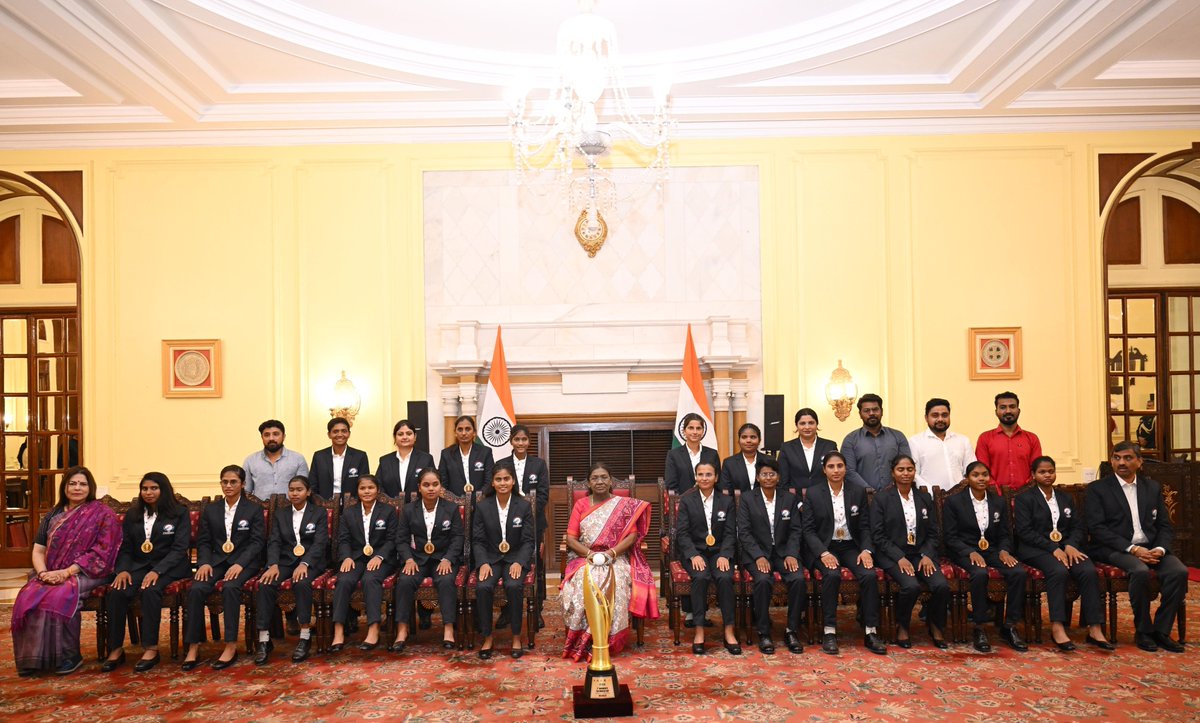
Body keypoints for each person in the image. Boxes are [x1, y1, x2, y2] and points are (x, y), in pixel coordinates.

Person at [13, 467, 120, 676]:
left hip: (91, 571)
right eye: (73, 483)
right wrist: (43, 573)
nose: (77, 488)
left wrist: (67, 572)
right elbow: (38, 550)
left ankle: (70, 656)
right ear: (65, 487)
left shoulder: (103, 514)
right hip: (52, 571)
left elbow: (103, 552)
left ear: (90, 488)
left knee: (62, 593)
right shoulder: (53, 514)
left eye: (82, 484)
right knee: (29, 595)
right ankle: (34, 658)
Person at [1085, 442, 1187, 653]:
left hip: (1150, 547)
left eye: (1128, 458)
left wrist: (1159, 549)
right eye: (1117, 457)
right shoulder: (1098, 489)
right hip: (1114, 548)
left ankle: (1161, 630)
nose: (1121, 462)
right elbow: (1097, 528)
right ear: (1111, 460)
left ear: (1139, 462)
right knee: (1139, 571)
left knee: (1178, 571)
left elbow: (1164, 526)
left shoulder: (1152, 487)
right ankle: (1143, 630)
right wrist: (1132, 549)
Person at [562, 461, 658, 662]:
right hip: (584, 557)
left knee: (617, 580)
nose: (599, 481)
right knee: (584, 580)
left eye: (604, 477)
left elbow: (632, 537)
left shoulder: (623, 505)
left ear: (610, 480)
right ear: (589, 482)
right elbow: (570, 539)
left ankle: (609, 638)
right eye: (595, 478)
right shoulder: (581, 505)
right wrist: (590, 554)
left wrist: (611, 554)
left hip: (616, 557)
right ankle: (586, 639)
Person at [1014, 457, 1112, 651]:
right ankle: (1058, 626)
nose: (1047, 475)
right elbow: (1025, 532)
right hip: (1036, 549)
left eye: (1051, 471)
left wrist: (1070, 545)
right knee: (1058, 571)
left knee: (1088, 570)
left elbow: (1077, 526)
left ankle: (1094, 628)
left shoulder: (1065, 497)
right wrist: (1053, 548)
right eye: (1042, 472)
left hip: (1066, 548)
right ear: (1033, 475)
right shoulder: (1025, 498)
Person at [102, 472, 191, 672]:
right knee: (117, 591)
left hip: (171, 567)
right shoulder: (133, 515)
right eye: (145, 489)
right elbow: (125, 548)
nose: (148, 493)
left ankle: (151, 648)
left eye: (154, 488)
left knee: (151, 590)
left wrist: (158, 571)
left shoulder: (179, 513)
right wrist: (123, 570)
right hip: (140, 566)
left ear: (164, 490)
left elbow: (179, 549)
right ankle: (115, 649)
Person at [801, 451, 886, 655]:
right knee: (831, 574)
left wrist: (866, 550)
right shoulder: (813, 493)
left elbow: (865, 526)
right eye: (831, 466)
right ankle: (829, 631)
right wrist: (823, 552)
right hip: (825, 546)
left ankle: (870, 631)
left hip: (850, 546)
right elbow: (808, 530)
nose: (836, 470)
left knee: (868, 574)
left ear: (846, 468)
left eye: (840, 466)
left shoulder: (858, 492)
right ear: (824, 470)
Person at [182, 465, 266, 670]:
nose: (228, 486)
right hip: (216, 561)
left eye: (233, 482)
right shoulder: (211, 509)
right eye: (224, 482)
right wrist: (203, 563)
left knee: (230, 587)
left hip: (244, 562)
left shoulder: (253, 509)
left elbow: (256, 542)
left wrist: (240, 564)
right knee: (196, 588)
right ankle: (193, 645)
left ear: (243, 484)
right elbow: (204, 541)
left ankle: (230, 645)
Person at [943, 461, 1028, 653]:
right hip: (965, 550)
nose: (981, 478)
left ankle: (1010, 626)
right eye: (975, 475)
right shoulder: (954, 502)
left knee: (1018, 573)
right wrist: (969, 552)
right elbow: (950, 537)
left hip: (993, 550)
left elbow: (1006, 533)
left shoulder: (998, 501)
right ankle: (979, 627)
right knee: (980, 574)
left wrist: (1005, 551)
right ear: (967, 478)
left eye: (984, 475)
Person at [869, 455, 949, 649]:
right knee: (910, 586)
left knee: (940, 585)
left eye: (909, 469)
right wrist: (899, 558)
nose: (905, 474)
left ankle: (935, 624)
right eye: (901, 470)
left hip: (921, 554)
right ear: (893, 473)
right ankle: (902, 625)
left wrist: (928, 554)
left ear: (915, 472)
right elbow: (878, 536)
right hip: (893, 555)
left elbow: (933, 532)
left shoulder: (924, 497)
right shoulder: (882, 499)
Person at [253, 475, 328, 665]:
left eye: (299, 490)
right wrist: (272, 565)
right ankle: (263, 639)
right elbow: (274, 542)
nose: (295, 493)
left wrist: (305, 563)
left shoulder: (318, 513)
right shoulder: (281, 514)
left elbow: (320, 543)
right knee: (265, 583)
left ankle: (304, 635)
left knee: (302, 582)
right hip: (285, 561)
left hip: (311, 562)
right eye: (292, 490)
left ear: (308, 492)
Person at [737, 456, 806, 655]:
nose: (768, 477)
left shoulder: (789, 499)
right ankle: (764, 631)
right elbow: (745, 532)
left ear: (778, 477)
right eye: (764, 474)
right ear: (758, 477)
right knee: (762, 580)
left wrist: (792, 554)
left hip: (784, 553)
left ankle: (791, 630)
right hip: (757, 554)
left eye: (772, 474)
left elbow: (795, 530)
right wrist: (758, 556)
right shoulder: (748, 499)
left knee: (798, 579)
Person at [392, 468, 462, 652]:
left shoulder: (451, 508)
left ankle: (448, 629)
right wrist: (407, 559)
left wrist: (448, 559)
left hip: (443, 558)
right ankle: (402, 630)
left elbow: (457, 538)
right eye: (426, 485)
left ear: (441, 487)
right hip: (417, 559)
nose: (431, 488)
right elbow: (401, 539)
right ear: (419, 488)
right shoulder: (408, 510)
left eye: (435, 484)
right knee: (405, 581)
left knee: (446, 581)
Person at [675, 461, 740, 655]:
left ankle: (729, 631)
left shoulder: (726, 501)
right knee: (701, 577)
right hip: (695, 552)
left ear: (716, 477)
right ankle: (699, 630)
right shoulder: (687, 500)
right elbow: (682, 533)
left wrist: (726, 555)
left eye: (709, 474)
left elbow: (730, 533)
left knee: (725, 577)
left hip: (719, 551)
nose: (704, 478)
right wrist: (693, 554)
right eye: (700, 474)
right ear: (696, 477)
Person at [329, 474, 397, 652]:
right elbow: (343, 540)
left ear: (378, 490)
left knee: (370, 579)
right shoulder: (349, 512)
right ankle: (338, 630)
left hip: (381, 558)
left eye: (370, 488)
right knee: (343, 580)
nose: (367, 491)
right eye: (362, 488)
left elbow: (391, 540)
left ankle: (373, 628)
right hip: (356, 557)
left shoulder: (388, 511)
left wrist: (379, 556)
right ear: (357, 492)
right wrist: (347, 557)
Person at [472, 462, 534, 659]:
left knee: (514, 585)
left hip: (515, 558)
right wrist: (482, 563)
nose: (502, 483)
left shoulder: (523, 505)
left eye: (506, 479)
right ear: (492, 482)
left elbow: (528, 540)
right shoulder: (482, 506)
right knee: (483, 587)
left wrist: (519, 562)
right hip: (490, 558)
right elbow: (478, 540)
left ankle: (516, 636)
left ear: (513, 480)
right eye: (498, 479)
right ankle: (487, 636)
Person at [495, 424, 549, 628]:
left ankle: (537, 611)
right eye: (517, 439)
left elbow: (543, 495)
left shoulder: (538, 464)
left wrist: (523, 510)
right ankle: (506, 611)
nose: (520, 443)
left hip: (533, 524)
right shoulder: (501, 463)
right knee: (507, 563)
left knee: (536, 567)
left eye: (524, 439)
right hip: (504, 525)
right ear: (511, 441)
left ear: (529, 442)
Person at [841, 394, 910, 492]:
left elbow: (906, 466)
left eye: (875, 409)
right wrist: (869, 490)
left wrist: (893, 489)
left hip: (895, 495)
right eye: (866, 410)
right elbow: (849, 471)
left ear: (882, 412)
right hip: (863, 497)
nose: (871, 413)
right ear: (860, 414)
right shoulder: (850, 440)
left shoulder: (898, 436)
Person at [975, 392, 1042, 491]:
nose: (1008, 411)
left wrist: (1025, 491)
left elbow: (1037, 470)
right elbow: (982, 470)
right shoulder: (985, 438)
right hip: (994, 498)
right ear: (996, 411)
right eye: (1002, 407)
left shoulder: (1032, 438)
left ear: (1018, 411)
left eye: (1012, 407)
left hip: (1027, 497)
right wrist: (996, 492)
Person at [908, 398, 975, 491]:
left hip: (961, 499)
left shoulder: (963, 440)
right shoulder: (915, 442)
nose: (940, 419)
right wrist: (933, 493)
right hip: (930, 499)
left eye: (945, 415)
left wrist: (962, 491)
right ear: (926, 418)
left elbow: (971, 471)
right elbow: (914, 474)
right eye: (935, 415)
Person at [243, 419, 309, 498]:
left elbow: (303, 489)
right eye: (267, 435)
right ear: (262, 437)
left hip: (290, 508)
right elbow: (246, 491)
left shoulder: (298, 459)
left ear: (283, 436)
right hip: (259, 509)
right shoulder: (250, 461)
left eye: (276, 434)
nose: (271, 438)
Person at [308, 417, 369, 501]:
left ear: (349, 434)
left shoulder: (360, 456)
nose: (340, 435)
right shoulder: (319, 456)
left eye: (344, 431)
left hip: (353, 507)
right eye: (335, 431)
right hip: (324, 506)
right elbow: (313, 485)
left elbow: (364, 484)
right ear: (329, 434)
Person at [778, 408, 838, 493]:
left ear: (817, 424)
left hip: (824, 497)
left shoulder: (830, 446)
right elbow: (783, 481)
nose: (807, 427)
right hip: (796, 499)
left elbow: (835, 475)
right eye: (802, 423)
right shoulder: (787, 448)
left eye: (811, 423)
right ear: (796, 425)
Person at [377, 419, 436, 499]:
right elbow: (378, 486)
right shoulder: (385, 461)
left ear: (415, 437)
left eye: (409, 434)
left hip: (418, 508)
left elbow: (432, 485)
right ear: (395, 437)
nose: (404, 437)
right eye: (400, 434)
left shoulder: (426, 459)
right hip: (390, 509)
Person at [664, 413, 721, 493]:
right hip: (682, 502)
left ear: (703, 431)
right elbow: (671, 485)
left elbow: (718, 483)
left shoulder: (712, 454)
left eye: (698, 428)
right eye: (691, 428)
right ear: (684, 431)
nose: (695, 432)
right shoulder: (673, 455)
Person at [438, 415, 494, 496]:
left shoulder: (485, 452)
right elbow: (443, 482)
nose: (464, 433)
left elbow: (489, 481)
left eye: (468, 429)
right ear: (455, 433)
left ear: (474, 432)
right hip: (453, 503)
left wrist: (478, 497)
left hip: (480, 503)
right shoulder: (446, 454)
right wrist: (452, 499)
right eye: (460, 430)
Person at [718, 423, 766, 494]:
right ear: (738, 440)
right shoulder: (729, 463)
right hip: (737, 503)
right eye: (744, 437)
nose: (748, 440)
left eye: (753, 437)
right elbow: (726, 490)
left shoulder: (768, 461)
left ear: (759, 440)